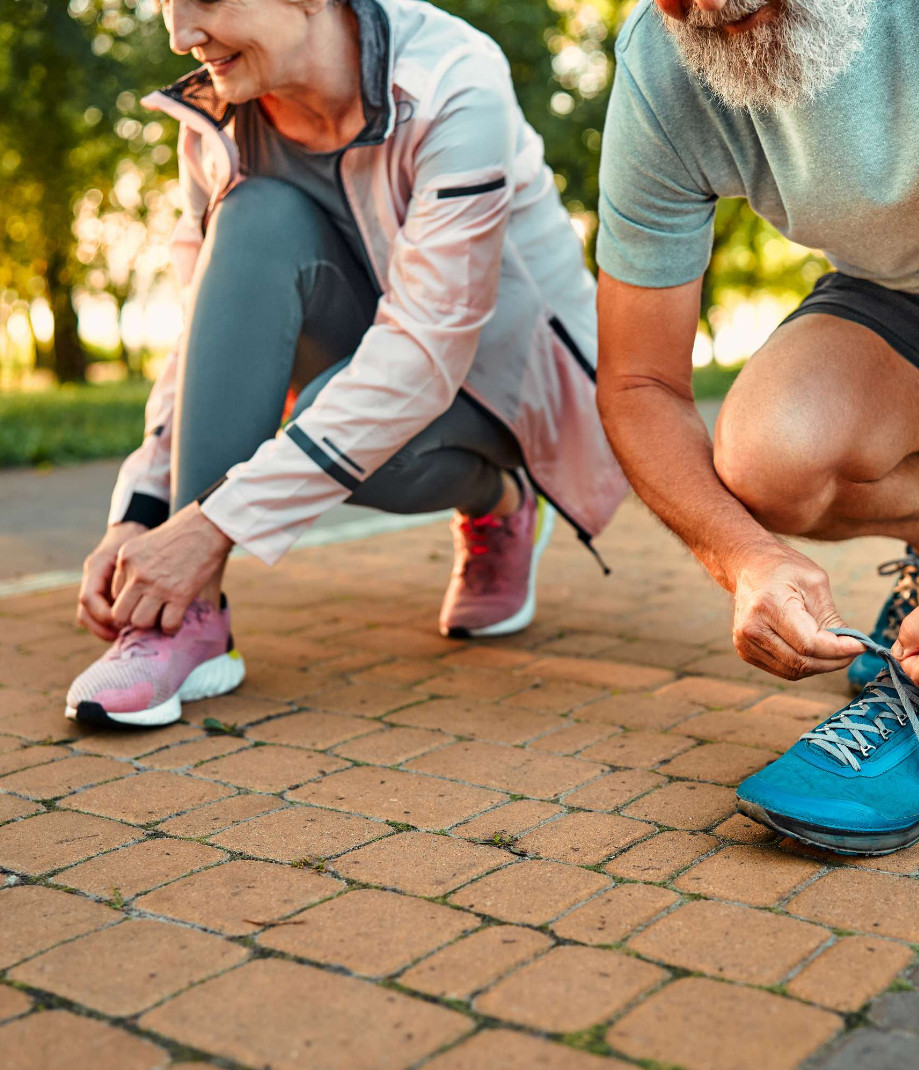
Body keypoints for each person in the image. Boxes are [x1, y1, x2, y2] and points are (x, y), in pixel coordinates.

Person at [595, 0, 919, 853]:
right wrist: (746, 558)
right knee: (768, 455)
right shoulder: (662, 65)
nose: (697, 5)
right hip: (909, 300)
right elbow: (639, 383)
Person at [67, 0, 625, 730]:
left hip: (504, 380)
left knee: (354, 442)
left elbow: (427, 348)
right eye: (167, 3)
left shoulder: (453, 78)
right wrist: (138, 517)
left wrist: (213, 524)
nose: (180, 35)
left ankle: (503, 502)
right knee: (256, 213)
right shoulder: (217, 118)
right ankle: (187, 618)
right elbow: (201, 334)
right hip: (362, 352)